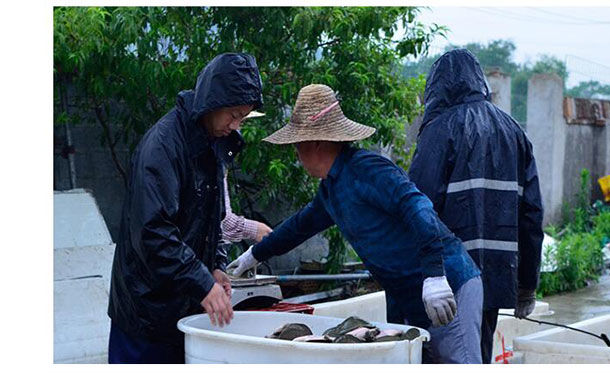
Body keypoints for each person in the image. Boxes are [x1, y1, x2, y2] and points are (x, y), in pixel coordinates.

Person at [227, 84, 483, 363]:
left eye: (297, 146)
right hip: (406, 297)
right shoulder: (331, 189)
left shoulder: (367, 169)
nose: (296, 156)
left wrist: (435, 274)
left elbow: (418, 207)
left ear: (315, 143)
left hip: (446, 286)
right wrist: (254, 255)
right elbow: (300, 225)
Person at [108, 53, 263, 363]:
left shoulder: (214, 143)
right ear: (211, 102)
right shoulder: (162, 147)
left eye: (243, 117)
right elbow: (152, 232)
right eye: (233, 114)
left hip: (185, 309)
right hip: (146, 313)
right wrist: (202, 282)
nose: (236, 125)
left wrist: (216, 266)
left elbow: (213, 220)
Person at [408, 49, 544, 364]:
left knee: (445, 357)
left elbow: (416, 204)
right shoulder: (514, 131)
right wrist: (527, 285)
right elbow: (532, 215)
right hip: (497, 275)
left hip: (448, 278)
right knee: (478, 352)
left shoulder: (439, 130)